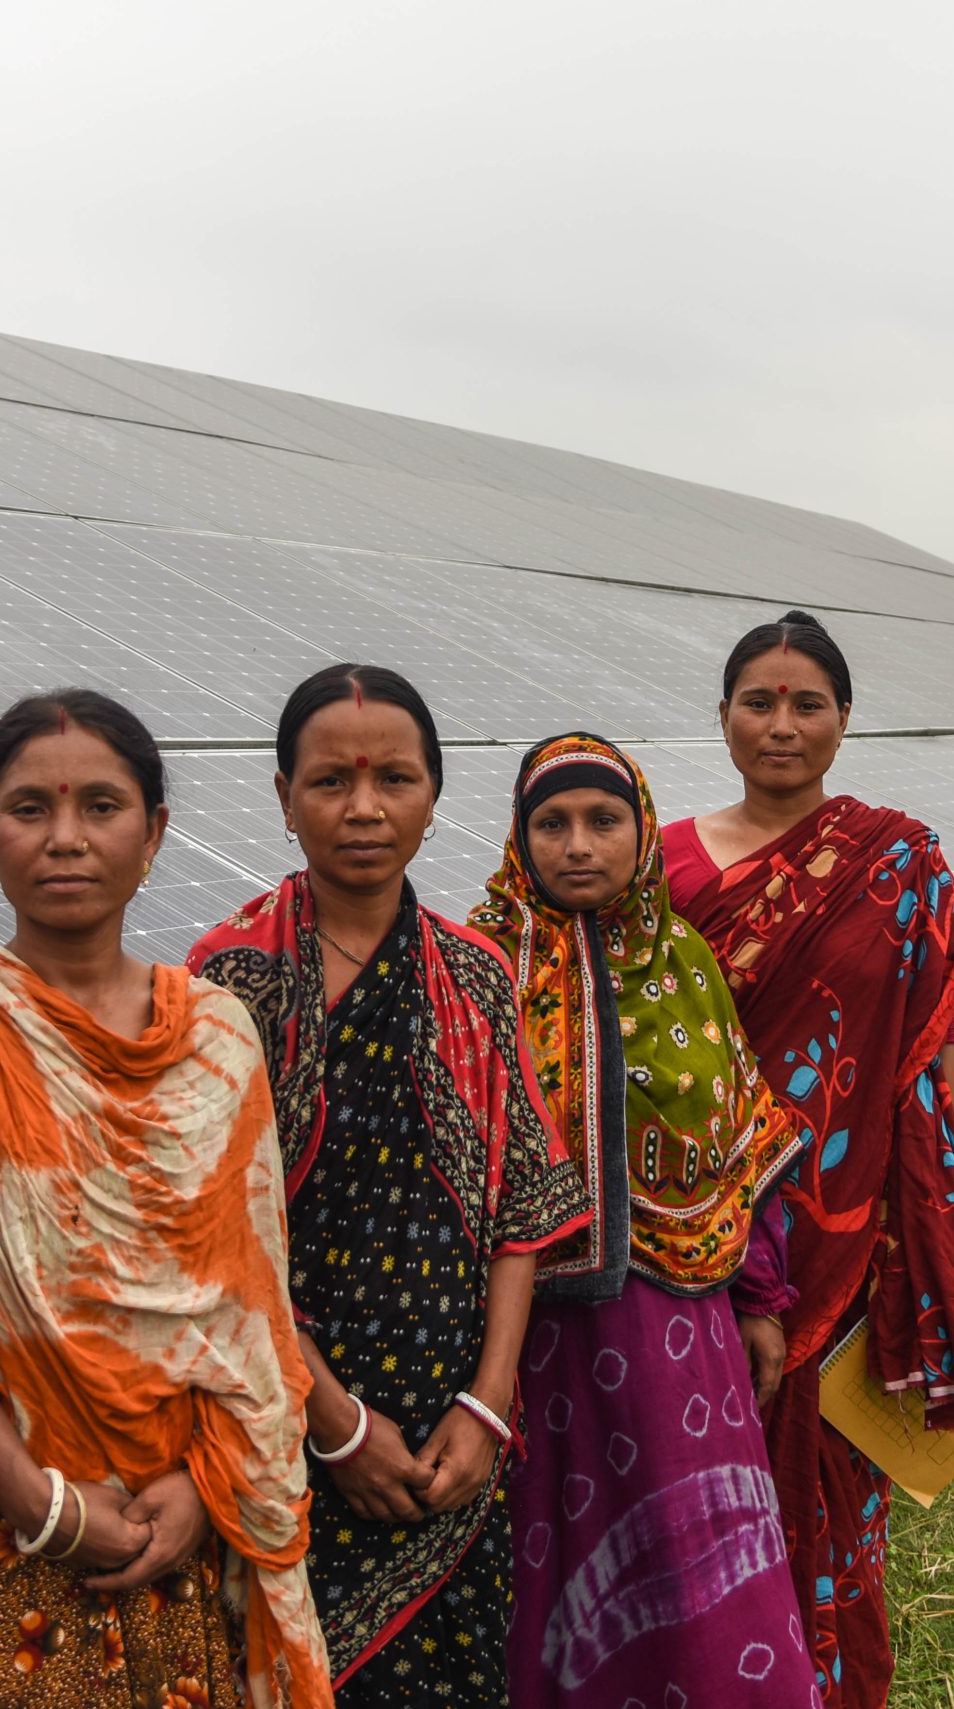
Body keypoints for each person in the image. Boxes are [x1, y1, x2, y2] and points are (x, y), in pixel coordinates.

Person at [0, 689, 332, 1709]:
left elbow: (251, 1308)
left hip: (187, 1542)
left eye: (102, 806)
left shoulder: (217, 1035)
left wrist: (204, 1490)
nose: (65, 837)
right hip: (0, 1532)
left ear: (155, 831)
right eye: (29, 807)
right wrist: (35, 1499)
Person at [188, 664, 593, 1707]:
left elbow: (518, 1209)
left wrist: (487, 1403)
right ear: (283, 797)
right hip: (282, 1425)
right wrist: (331, 1418)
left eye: (394, 778)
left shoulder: (474, 972)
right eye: (330, 780)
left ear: (432, 794)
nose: (363, 807)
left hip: (453, 1436)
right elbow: (212, 1232)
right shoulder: (226, 980)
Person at [661, 612, 954, 1709]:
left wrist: (921, 1219)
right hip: (685, 1230)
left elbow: (929, 1055)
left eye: (807, 703)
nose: (781, 724)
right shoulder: (655, 862)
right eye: (757, 701)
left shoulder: (896, 863)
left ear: (844, 720)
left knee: (827, 1484)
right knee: (687, 1494)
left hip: (844, 1241)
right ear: (721, 715)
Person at [469, 733, 823, 1709]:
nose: (577, 844)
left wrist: (760, 1296)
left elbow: (736, 1138)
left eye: (603, 819)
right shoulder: (480, 965)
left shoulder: (686, 965)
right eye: (551, 822)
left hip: (681, 1329)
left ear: (641, 830)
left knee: (691, 1547)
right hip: (529, 1339)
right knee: (556, 1541)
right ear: (518, 834)